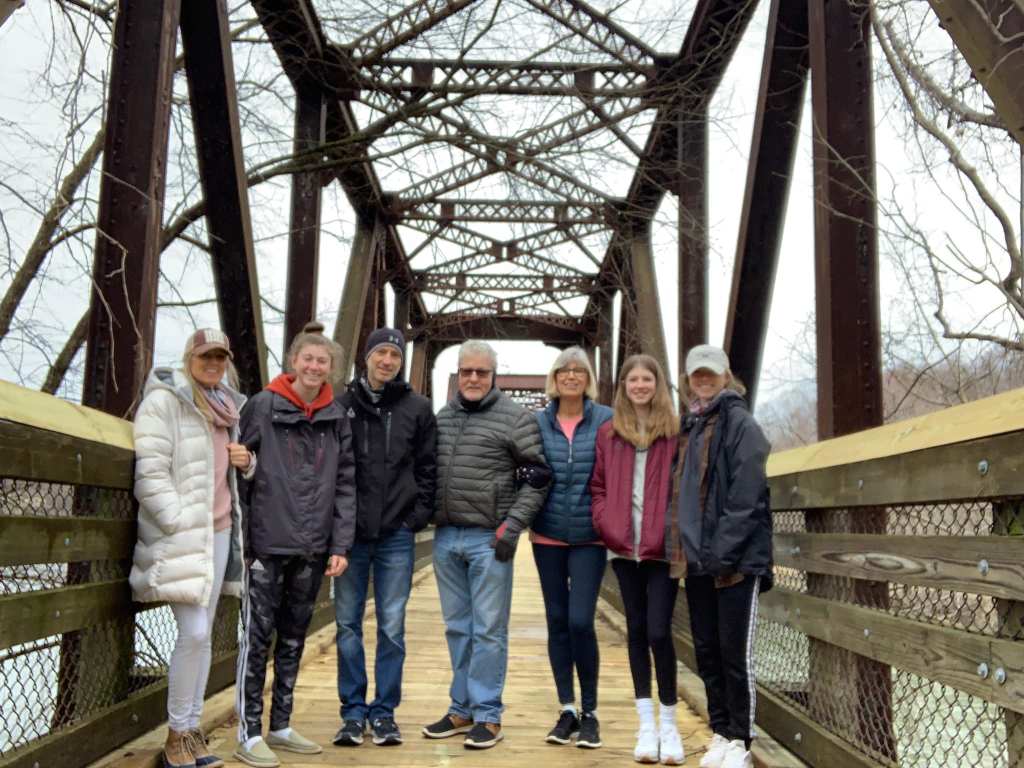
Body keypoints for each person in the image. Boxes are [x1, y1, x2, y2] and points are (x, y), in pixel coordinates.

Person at [233, 321, 356, 768]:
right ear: (293, 361)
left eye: (323, 361)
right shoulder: (263, 405)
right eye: (308, 358)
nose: (315, 366)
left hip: (312, 546)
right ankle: (248, 733)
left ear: (331, 368)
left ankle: (280, 725)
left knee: (293, 638)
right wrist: (244, 541)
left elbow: (345, 481)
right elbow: (240, 469)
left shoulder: (336, 415)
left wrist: (340, 543)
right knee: (256, 638)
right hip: (267, 542)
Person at [131, 328, 252, 768]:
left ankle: (191, 731)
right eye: (206, 356)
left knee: (202, 637)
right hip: (183, 535)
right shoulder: (164, 402)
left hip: (219, 533)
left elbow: (227, 473)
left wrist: (248, 462)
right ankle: (176, 735)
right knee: (196, 632)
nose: (213, 364)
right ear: (189, 358)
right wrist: (177, 520)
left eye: (221, 357)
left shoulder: (226, 408)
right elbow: (150, 472)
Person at [422, 339, 550, 750]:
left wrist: (512, 526)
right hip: (446, 536)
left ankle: (488, 715)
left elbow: (539, 478)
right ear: (458, 374)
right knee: (458, 628)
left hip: (488, 539)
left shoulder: (516, 418)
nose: (473, 378)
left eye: (481, 372)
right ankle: (461, 709)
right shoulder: (443, 417)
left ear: (494, 376)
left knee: (489, 630)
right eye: (466, 371)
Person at [332, 327, 437, 748]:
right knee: (347, 625)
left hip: (396, 534)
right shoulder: (342, 405)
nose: (388, 361)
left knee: (392, 626)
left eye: (395, 355)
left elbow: (428, 469)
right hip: (351, 536)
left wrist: (415, 519)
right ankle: (352, 713)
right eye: (381, 353)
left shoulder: (417, 408)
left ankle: (384, 713)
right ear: (367, 357)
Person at [673, 345, 771, 768]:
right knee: (707, 651)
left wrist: (721, 552)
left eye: (710, 374)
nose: (704, 380)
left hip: (734, 562)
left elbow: (747, 496)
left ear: (726, 376)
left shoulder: (739, 423)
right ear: (688, 380)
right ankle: (721, 732)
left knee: (734, 654)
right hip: (698, 561)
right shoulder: (690, 425)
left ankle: (741, 742)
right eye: (697, 374)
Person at [590, 353, 683, 766]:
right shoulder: (609, 433)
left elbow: (686, 486)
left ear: (657, 384)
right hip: (623, 546)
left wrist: (674, 528)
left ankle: (670, 724)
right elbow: (598, 486)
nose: (640, 385)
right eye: (633, 380)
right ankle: (646, 724)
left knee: (660, 632)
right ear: (623, 387)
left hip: (662, 548)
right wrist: (605, 522)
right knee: (637, 629)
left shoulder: (675, 432)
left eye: (647, 379)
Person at [531, 347, 612, 749]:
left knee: (581, 620)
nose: (571, 375)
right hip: (547, 535)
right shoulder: (537, 422)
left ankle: (590, 712)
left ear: (588, 378)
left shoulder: (607, 419)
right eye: (564, 369)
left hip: (590, 537)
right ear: (554, 377)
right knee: (557, 620)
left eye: (580, 370)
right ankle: (567, 708)